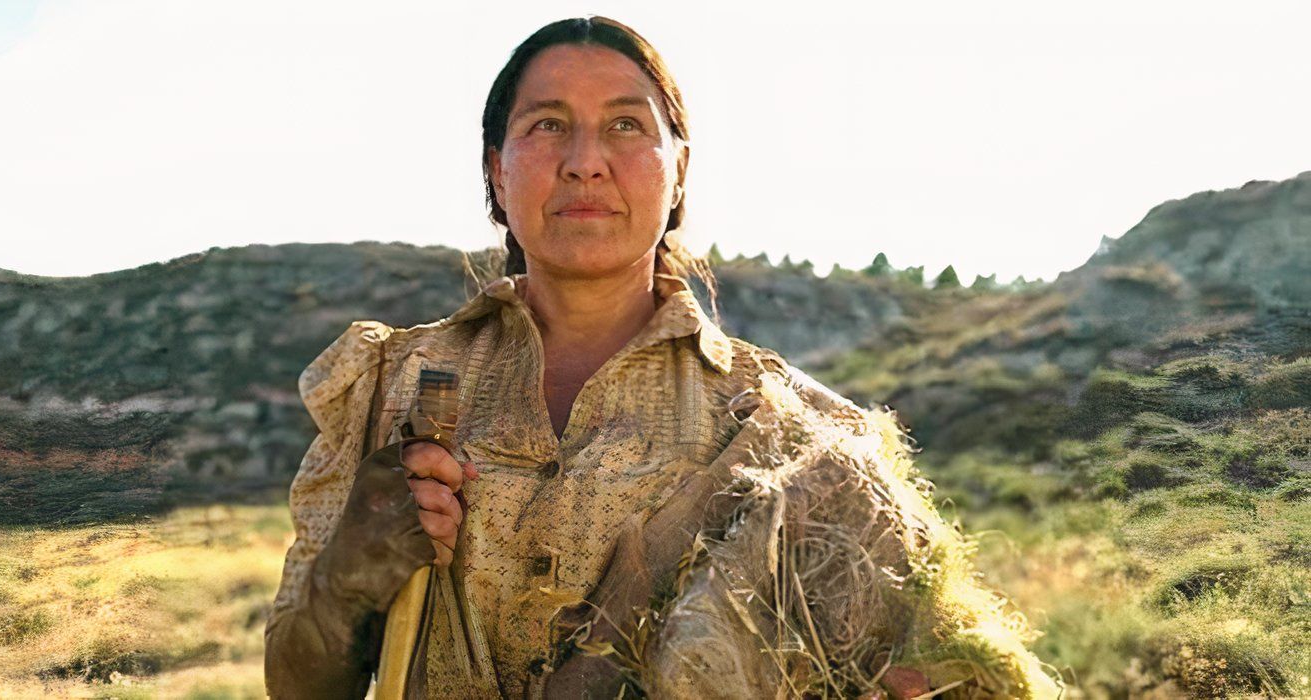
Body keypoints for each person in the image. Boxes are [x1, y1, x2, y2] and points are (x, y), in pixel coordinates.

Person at [264, 15, 1062, 700]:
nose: (585, 160)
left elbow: (920, 665)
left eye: (625, 125)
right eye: (546, 125)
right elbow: (294, 683)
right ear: (495, 174)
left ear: (679, 172)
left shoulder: (793, 435)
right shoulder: (390, 390)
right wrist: (346, 580)